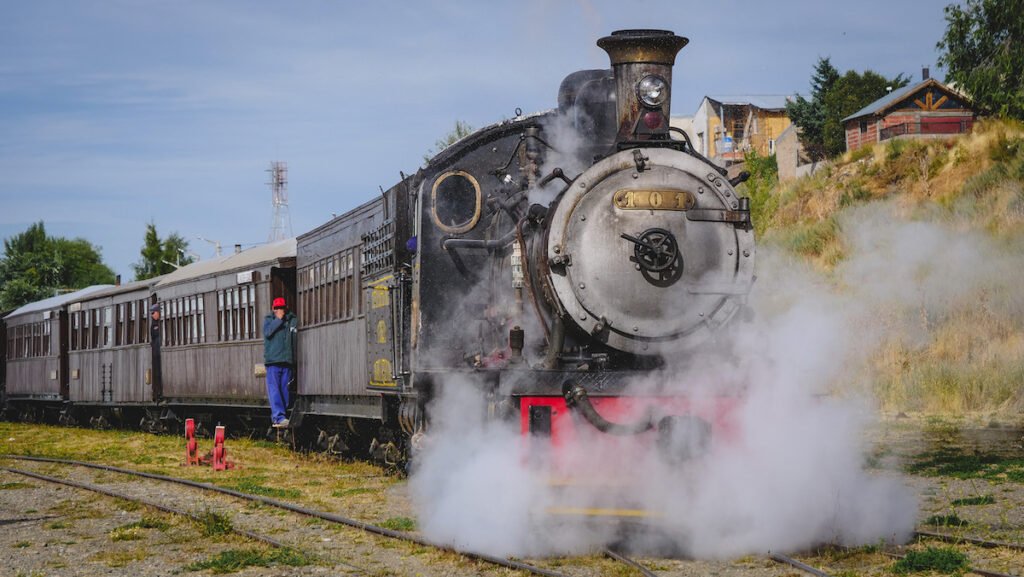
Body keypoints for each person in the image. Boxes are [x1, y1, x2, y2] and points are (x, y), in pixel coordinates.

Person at [263, 297, 297, 428]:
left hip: (286, 361)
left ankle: (283, 416)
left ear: (285, 308)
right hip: (273, 362)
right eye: (277, 308)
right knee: (274, 390)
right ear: (273, 309)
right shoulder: (269, 320)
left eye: (281, 308)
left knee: (285, 390)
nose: (279, 310)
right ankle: (278, 417)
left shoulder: (292, 320)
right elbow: (268, 332)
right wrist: (278, 320)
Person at [150, 304, 162, 399]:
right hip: (156, 351)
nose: (152, 315)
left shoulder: (159, 323)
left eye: (153, 312)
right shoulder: (153, 325)